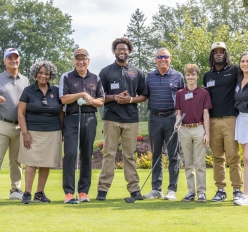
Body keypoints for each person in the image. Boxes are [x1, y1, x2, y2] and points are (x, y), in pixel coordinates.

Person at [96, 38, 148, 201]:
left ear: (129, 51)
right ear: (114, 51)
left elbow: (144, 95)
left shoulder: (137, 72)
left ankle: (134, 190)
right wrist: (114, 97)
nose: (122, 51)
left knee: (129, 156)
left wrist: (130, 100)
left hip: (131, 119)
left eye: (124, 49)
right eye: (118, 49)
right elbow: (99, 96)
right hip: (111, 118)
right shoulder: (105, 72)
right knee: (109, 154)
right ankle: (102, 190)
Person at [59, 48, 104, 203]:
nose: (80, 62)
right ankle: (69, 193)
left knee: (87, 155)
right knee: (70, 154)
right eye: (77, 59)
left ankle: (83, 191)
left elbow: (101, 101)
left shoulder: (95, 78)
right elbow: (63, 99)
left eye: (83, 59)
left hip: (89, 119)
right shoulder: (67, 77)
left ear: (88, 61)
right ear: (74, 61)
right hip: (71, 118)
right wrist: (82, 95)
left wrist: (92, 100)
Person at [0, 48, 29, 202]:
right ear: (5, 61)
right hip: (1, 124)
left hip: (19, 126)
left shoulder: (25, 80)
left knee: (17, 160)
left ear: (19, 60)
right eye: (10, 58)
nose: (13, 60)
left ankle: (15, 189)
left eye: (16, 57)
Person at [18, 60, 63, 204]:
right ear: (35, 74)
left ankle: (39, 193)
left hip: (52, 132)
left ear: (51, 75)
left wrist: (62, 131)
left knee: (45, 163)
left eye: (47, 74)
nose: (43, 76)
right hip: (31, 132)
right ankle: (27, 193)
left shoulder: (56, 91)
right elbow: (20, 113)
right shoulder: (28, 91)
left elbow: (61, 112)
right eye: (41, 73)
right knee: (31, 163)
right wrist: (25, 133)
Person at [203, 42, 243, 202]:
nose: (218, 54)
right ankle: (220, 190)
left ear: (225, 54)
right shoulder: (207, 75)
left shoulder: (234, 71)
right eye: (215, 52)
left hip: (231, 119)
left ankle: (237, 190)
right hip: (212, 121)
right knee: (217, 157)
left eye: (221, 51)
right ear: (212, 55)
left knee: (233, 156)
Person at [144, 48, 184, 201]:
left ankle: (172, 190)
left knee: (173, 155)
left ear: (170, 59)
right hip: (154, 118)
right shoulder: (149, 77)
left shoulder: (178, 76)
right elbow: (145, 96)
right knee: (156, 154)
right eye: (160, 57)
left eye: (165, 57)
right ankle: (156, 189)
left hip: (171, 118)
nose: (163, 59)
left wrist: (179, 119)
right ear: (155, 59)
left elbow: (181, 99)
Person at [175, 64, 211, 203]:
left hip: (199, 128)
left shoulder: (203, 93)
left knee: (200, 163)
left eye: (193, 74)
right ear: (185, 76)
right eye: (188, 75)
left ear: (197, 76)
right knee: (188, 163)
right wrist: (177, 123)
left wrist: (207, 133)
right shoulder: (180, 93)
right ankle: (191, 192)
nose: (190, 77)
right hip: (184, 129)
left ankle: (201, 192)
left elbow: (206, 114)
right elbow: (178, 114)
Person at [233, 52, 248, 206]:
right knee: (246, 158)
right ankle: (245, 194)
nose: (245, 64)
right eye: (243, 61)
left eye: (247, 61)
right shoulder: (239, 80)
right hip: (241, 119)